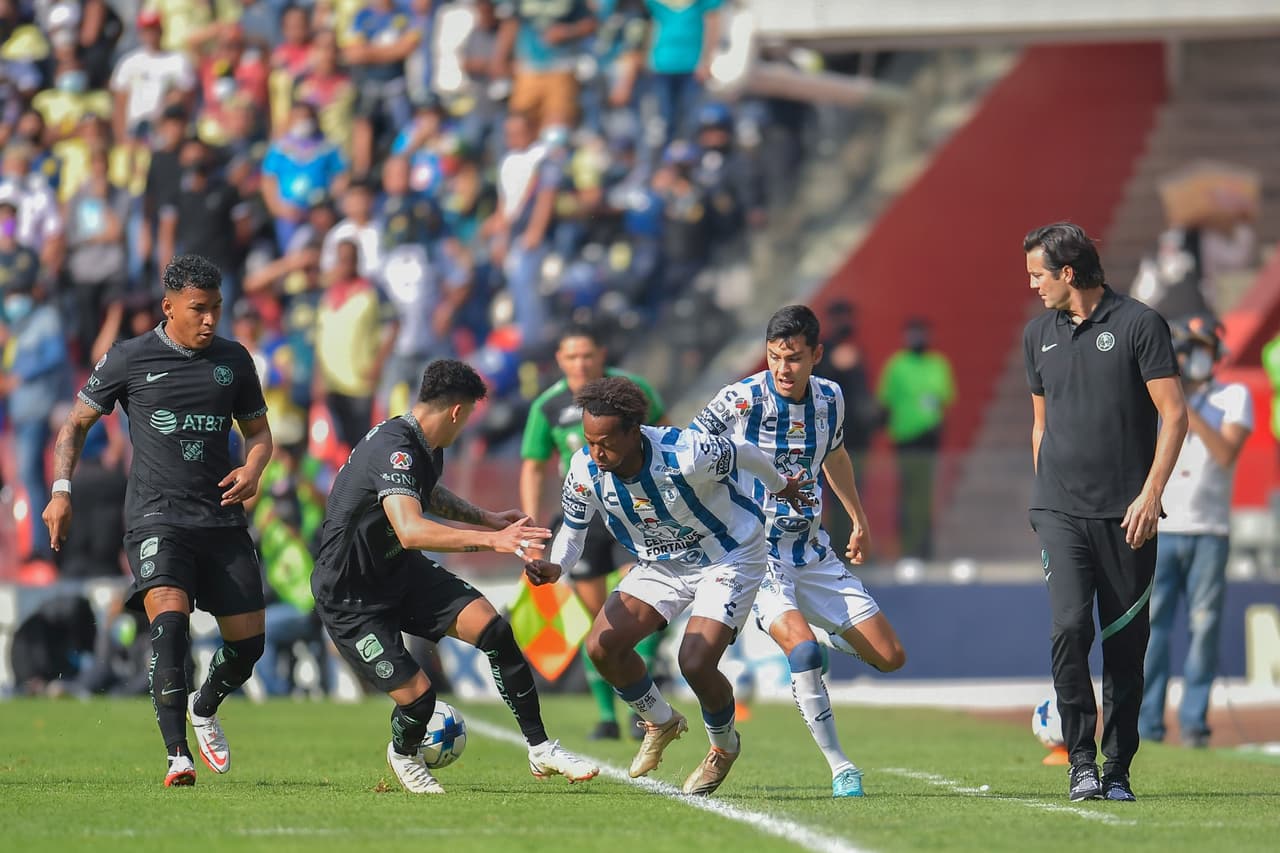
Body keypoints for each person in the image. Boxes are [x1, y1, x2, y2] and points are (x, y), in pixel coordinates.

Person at [311, 358, 599, 794]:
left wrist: (487, 519)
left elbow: (427, 495)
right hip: (350, 594)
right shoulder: (396, 448)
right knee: (420, 699)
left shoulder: (424, 444)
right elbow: (409, 530)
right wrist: (493, 542)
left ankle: (540, 748)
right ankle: (405, 754)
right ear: (457, 411)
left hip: (398, 572)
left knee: (496, 632)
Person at [42, 253, 273, 788]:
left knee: (248, 645)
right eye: (199, 309)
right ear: (168, 308)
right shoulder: (129, 358)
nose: (210, 319)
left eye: (216, 308)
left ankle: (205, 705)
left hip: (220, 518)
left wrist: (254, 468)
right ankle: (177, 755)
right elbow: (74, 426)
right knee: (169, 622)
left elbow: (259, 434)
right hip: (155, 517)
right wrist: (61, 491)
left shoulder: (235, 360)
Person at [523, 375, 813, 797]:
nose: (595, 451)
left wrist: (780, 485)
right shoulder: (585, 469)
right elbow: (573, 529)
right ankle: (660, 720)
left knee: (693, 661)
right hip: (661, 562)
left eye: (604, 441)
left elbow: (745, 452)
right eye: (589, 440)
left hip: (727, 554)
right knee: (601, 646)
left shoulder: (686, 453)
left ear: (633, 432)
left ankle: (723, 748)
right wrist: (556, 567)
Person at [690, 304, 906, 797]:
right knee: (802, 650)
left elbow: (835, 455)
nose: (783, 369)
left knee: (891, 657)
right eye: (774, 357)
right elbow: (686, 453)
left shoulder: (831, 397)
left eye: (793, 358)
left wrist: (858, 518)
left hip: (812, 552)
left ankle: (824, 638)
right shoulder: (739, 400)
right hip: (754, 556)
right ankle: (841, 767)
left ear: (816, 356)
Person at [1023, 222, 1187, 802]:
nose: (1034, 286)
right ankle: (1080, 763)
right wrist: (1043, 499)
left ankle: (1117, 770)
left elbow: (1174, 415)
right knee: (1069, 627)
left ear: (1068, 272)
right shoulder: (1037, 334)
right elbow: (1041, 425)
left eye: (1039, 275)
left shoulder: (1140, 324)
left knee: (1124, 646)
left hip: (1128, 516)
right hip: (1060, 512)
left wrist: (1150, 494)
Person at [519, 324, 666, 740]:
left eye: (587, 354)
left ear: (601, 354)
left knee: (643, 606)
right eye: (571, 356)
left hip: (636, 511)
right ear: (560, 361)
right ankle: (607, 716)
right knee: (598, 619)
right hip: (583, 517)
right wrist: (532, 527)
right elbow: (533, 464)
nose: (580, 363)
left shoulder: (632, 390)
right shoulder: (547, 407)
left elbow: (667, 433)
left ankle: (645, 705)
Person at [1140, 314, 1253, 748]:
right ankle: (1148, 721)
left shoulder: (1233, 396)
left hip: (1209, 529)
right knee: (1154, 628)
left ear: (1216, 354)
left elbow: (1226, 453)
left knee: (1204, 626)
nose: (1192, 358)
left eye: (1200, 349)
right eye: (1186, 350)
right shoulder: (1161, 398)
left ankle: (1194, 722)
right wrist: (1173, 402)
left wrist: (1182, 412)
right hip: (1164, 527)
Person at [876, 316, 954, 559]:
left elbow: (944, 398)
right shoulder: (897, 365)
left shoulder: (938, 364)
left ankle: (925, 549)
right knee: (907, 494)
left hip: (929, 438)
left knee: (925, 494)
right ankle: (907, 548)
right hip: (905, 439)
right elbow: (885, 401)